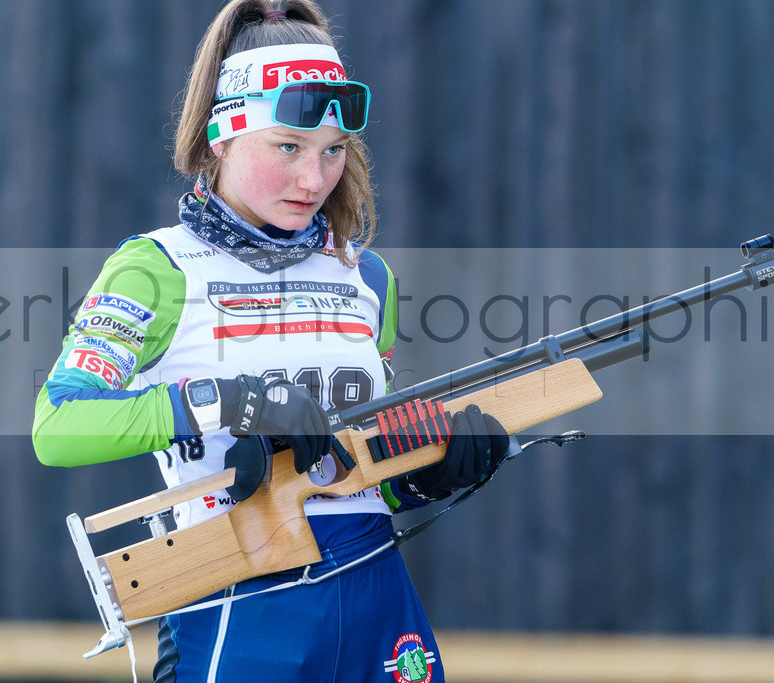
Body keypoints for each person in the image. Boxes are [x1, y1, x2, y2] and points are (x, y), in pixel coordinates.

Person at [32, 1, 510, 681]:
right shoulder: (156, 269)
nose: (314, 180)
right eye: (288, 146)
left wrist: (425, 472)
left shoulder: (366, 276)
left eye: (333, 151)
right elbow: (58, 427)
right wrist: (229, 401)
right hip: (237, 596)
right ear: (221, 137)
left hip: (375, 597)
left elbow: (351, 466)